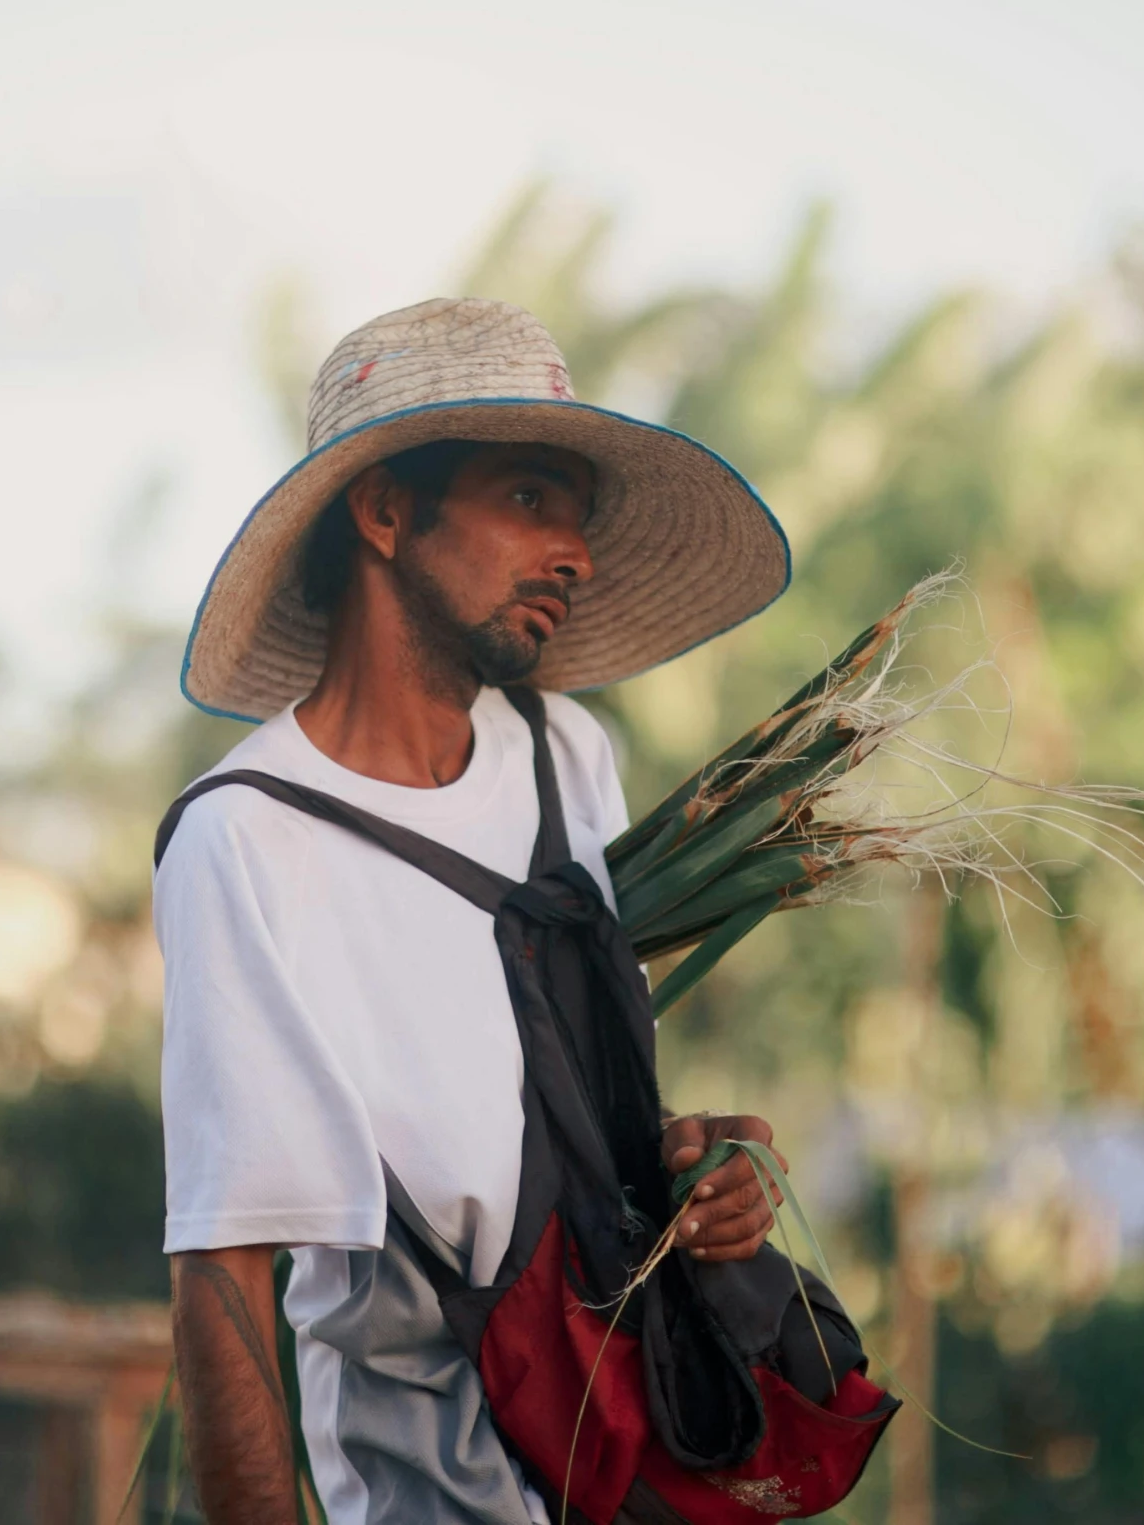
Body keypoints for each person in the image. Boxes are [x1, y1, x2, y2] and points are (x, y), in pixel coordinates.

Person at [154, 297, 796, 1524]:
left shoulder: (567, 759)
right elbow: (225, 1272)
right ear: (385, 511)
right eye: (528, 498)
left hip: (633, 1457)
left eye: (578, 515)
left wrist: (707, 1172)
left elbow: (582, 1126)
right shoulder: (248, 839)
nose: (576, 552)